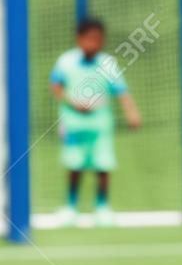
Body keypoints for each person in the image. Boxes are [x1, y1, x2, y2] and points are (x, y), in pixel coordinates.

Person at [49, 17, 141, 226]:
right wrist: (73, 102)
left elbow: (121, 92)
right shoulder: (66, 61)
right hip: (73, 125)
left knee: (103, 166)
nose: (93, 43)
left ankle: (102, 207)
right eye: (89, 38)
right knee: (74, 166)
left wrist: (132, 113)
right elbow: (56, 86)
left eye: (97, 39)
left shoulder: (107, 63)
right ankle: (70, 207)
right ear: (79, 39)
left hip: (100, 126)